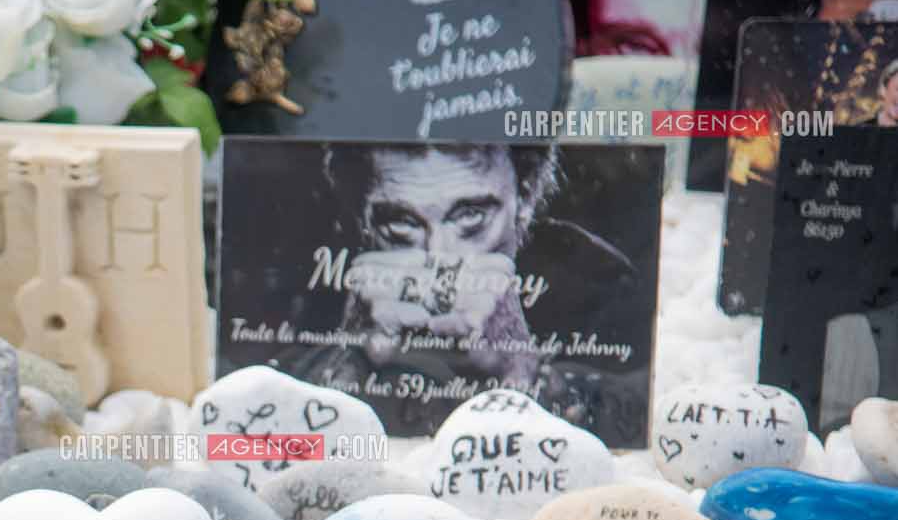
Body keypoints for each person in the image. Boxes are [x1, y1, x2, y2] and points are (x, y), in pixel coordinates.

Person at [271, 142, 646, 436]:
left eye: (470, 217)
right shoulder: (302, 289)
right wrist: (347, 361)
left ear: (526, 198)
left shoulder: (601, 282)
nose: (440, 257)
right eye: (401, 225)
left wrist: (521, 366)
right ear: (360, 217)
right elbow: (260, 431)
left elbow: (627, 430)